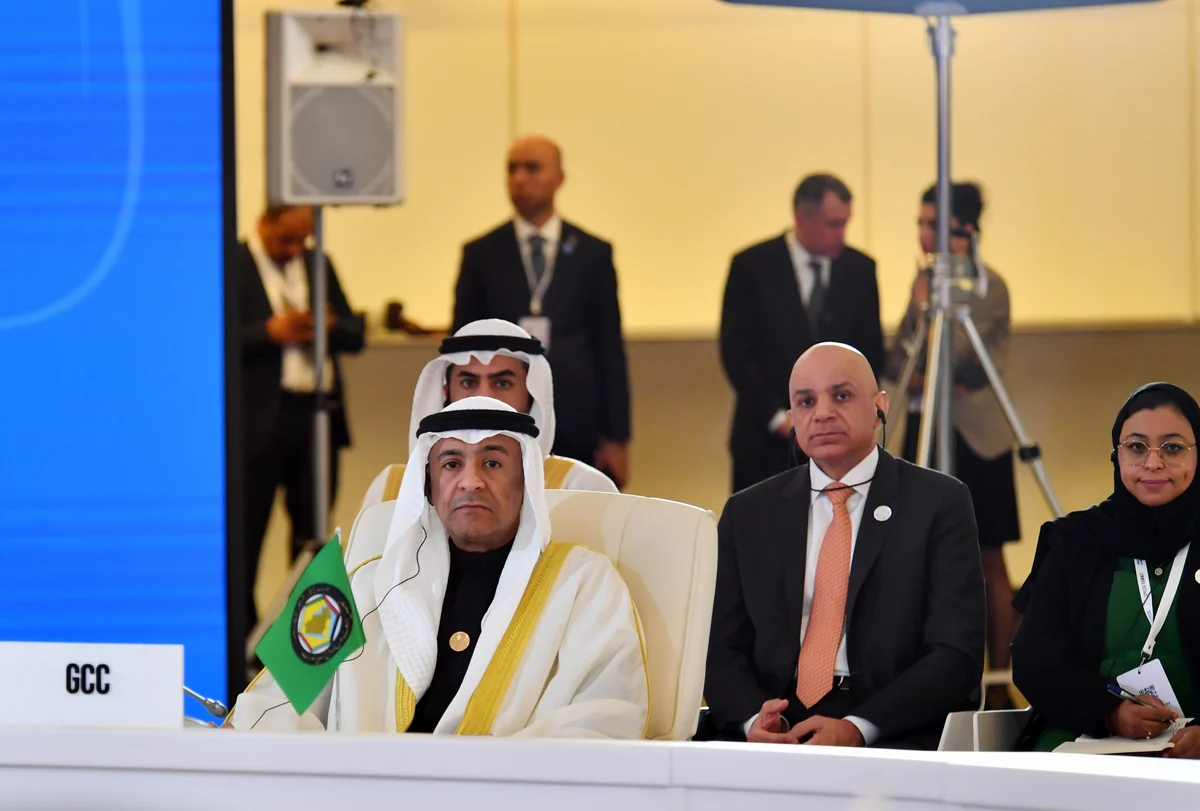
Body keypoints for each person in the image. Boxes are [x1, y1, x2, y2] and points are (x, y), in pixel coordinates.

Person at [226, 397, 649, 736]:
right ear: (429, 486)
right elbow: (269, 704)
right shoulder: (357, 581)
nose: (471, 481)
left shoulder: (585, 582)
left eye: (492, 463)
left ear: (525, 482)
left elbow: (605, 718)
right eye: (451, 464)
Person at [704, 342, 985, 749]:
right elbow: (718, 647)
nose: (822, 413)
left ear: (879, 406)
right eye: (806, 401)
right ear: (792, 418)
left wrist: (859, 727)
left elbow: (956, 653)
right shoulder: (747, 513)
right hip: (773, 731)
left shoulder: (939, 503)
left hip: (891, 730)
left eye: (841, 396)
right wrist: (752, 720)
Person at [885, 181, 1019, 709]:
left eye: (933, 224)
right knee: (918, 553)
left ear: (964, 228)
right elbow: (901, 359)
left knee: (989, 561)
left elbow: (955, 356)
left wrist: (927, 323)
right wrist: (921, 315)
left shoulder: (989, 285)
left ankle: (1000, 682)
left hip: (976, 439)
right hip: (924, 427)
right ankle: (929, 677)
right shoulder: (923, 284)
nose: (924, 235)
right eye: (920, 223)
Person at [1012, 383, 1200, 757]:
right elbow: (1035, 659)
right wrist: (1109, 713)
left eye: (1173, 448)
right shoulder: (1074, 541)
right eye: (1136, 447)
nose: (1153, 463)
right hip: (1084, 740)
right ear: (1117, 456)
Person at [450, 136, 631, 488]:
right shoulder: (481, 254)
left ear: (559, 178)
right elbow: (462, 349)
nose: (519, 178)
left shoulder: (593, 253)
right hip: (500, 418)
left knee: (575, 512)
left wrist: (617, 436)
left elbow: (609, 348)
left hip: (577, 420)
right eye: (512, 169)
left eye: (532, 168)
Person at [236, 203, 364, 630]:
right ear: (264, 224)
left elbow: (356, 334)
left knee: (314, 536)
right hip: (257, 422)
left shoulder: (318, 263)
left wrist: (327, 324)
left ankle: (303, 644)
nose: (295, 248)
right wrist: (268, 333)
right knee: (246, 537)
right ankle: (241, 643)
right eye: (286, 239)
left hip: (316, 416)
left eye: (302, 239)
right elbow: (210, 337)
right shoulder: (233, 262)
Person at [720, 174, 885, 493]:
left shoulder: (860, 269)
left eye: (845, 224)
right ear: (802, 218)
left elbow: (871, 353)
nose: (841, 234)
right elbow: (736, 354)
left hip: (839, 445)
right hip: (764, 442)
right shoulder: (752, 266)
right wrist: (781, 419)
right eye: (833, 224)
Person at [359, 319, 618, 509]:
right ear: (446, 393)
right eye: (469, 383)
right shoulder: (391, 489)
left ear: (531, 396)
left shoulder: (581, 488)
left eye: (502, 383)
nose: (484, 397)